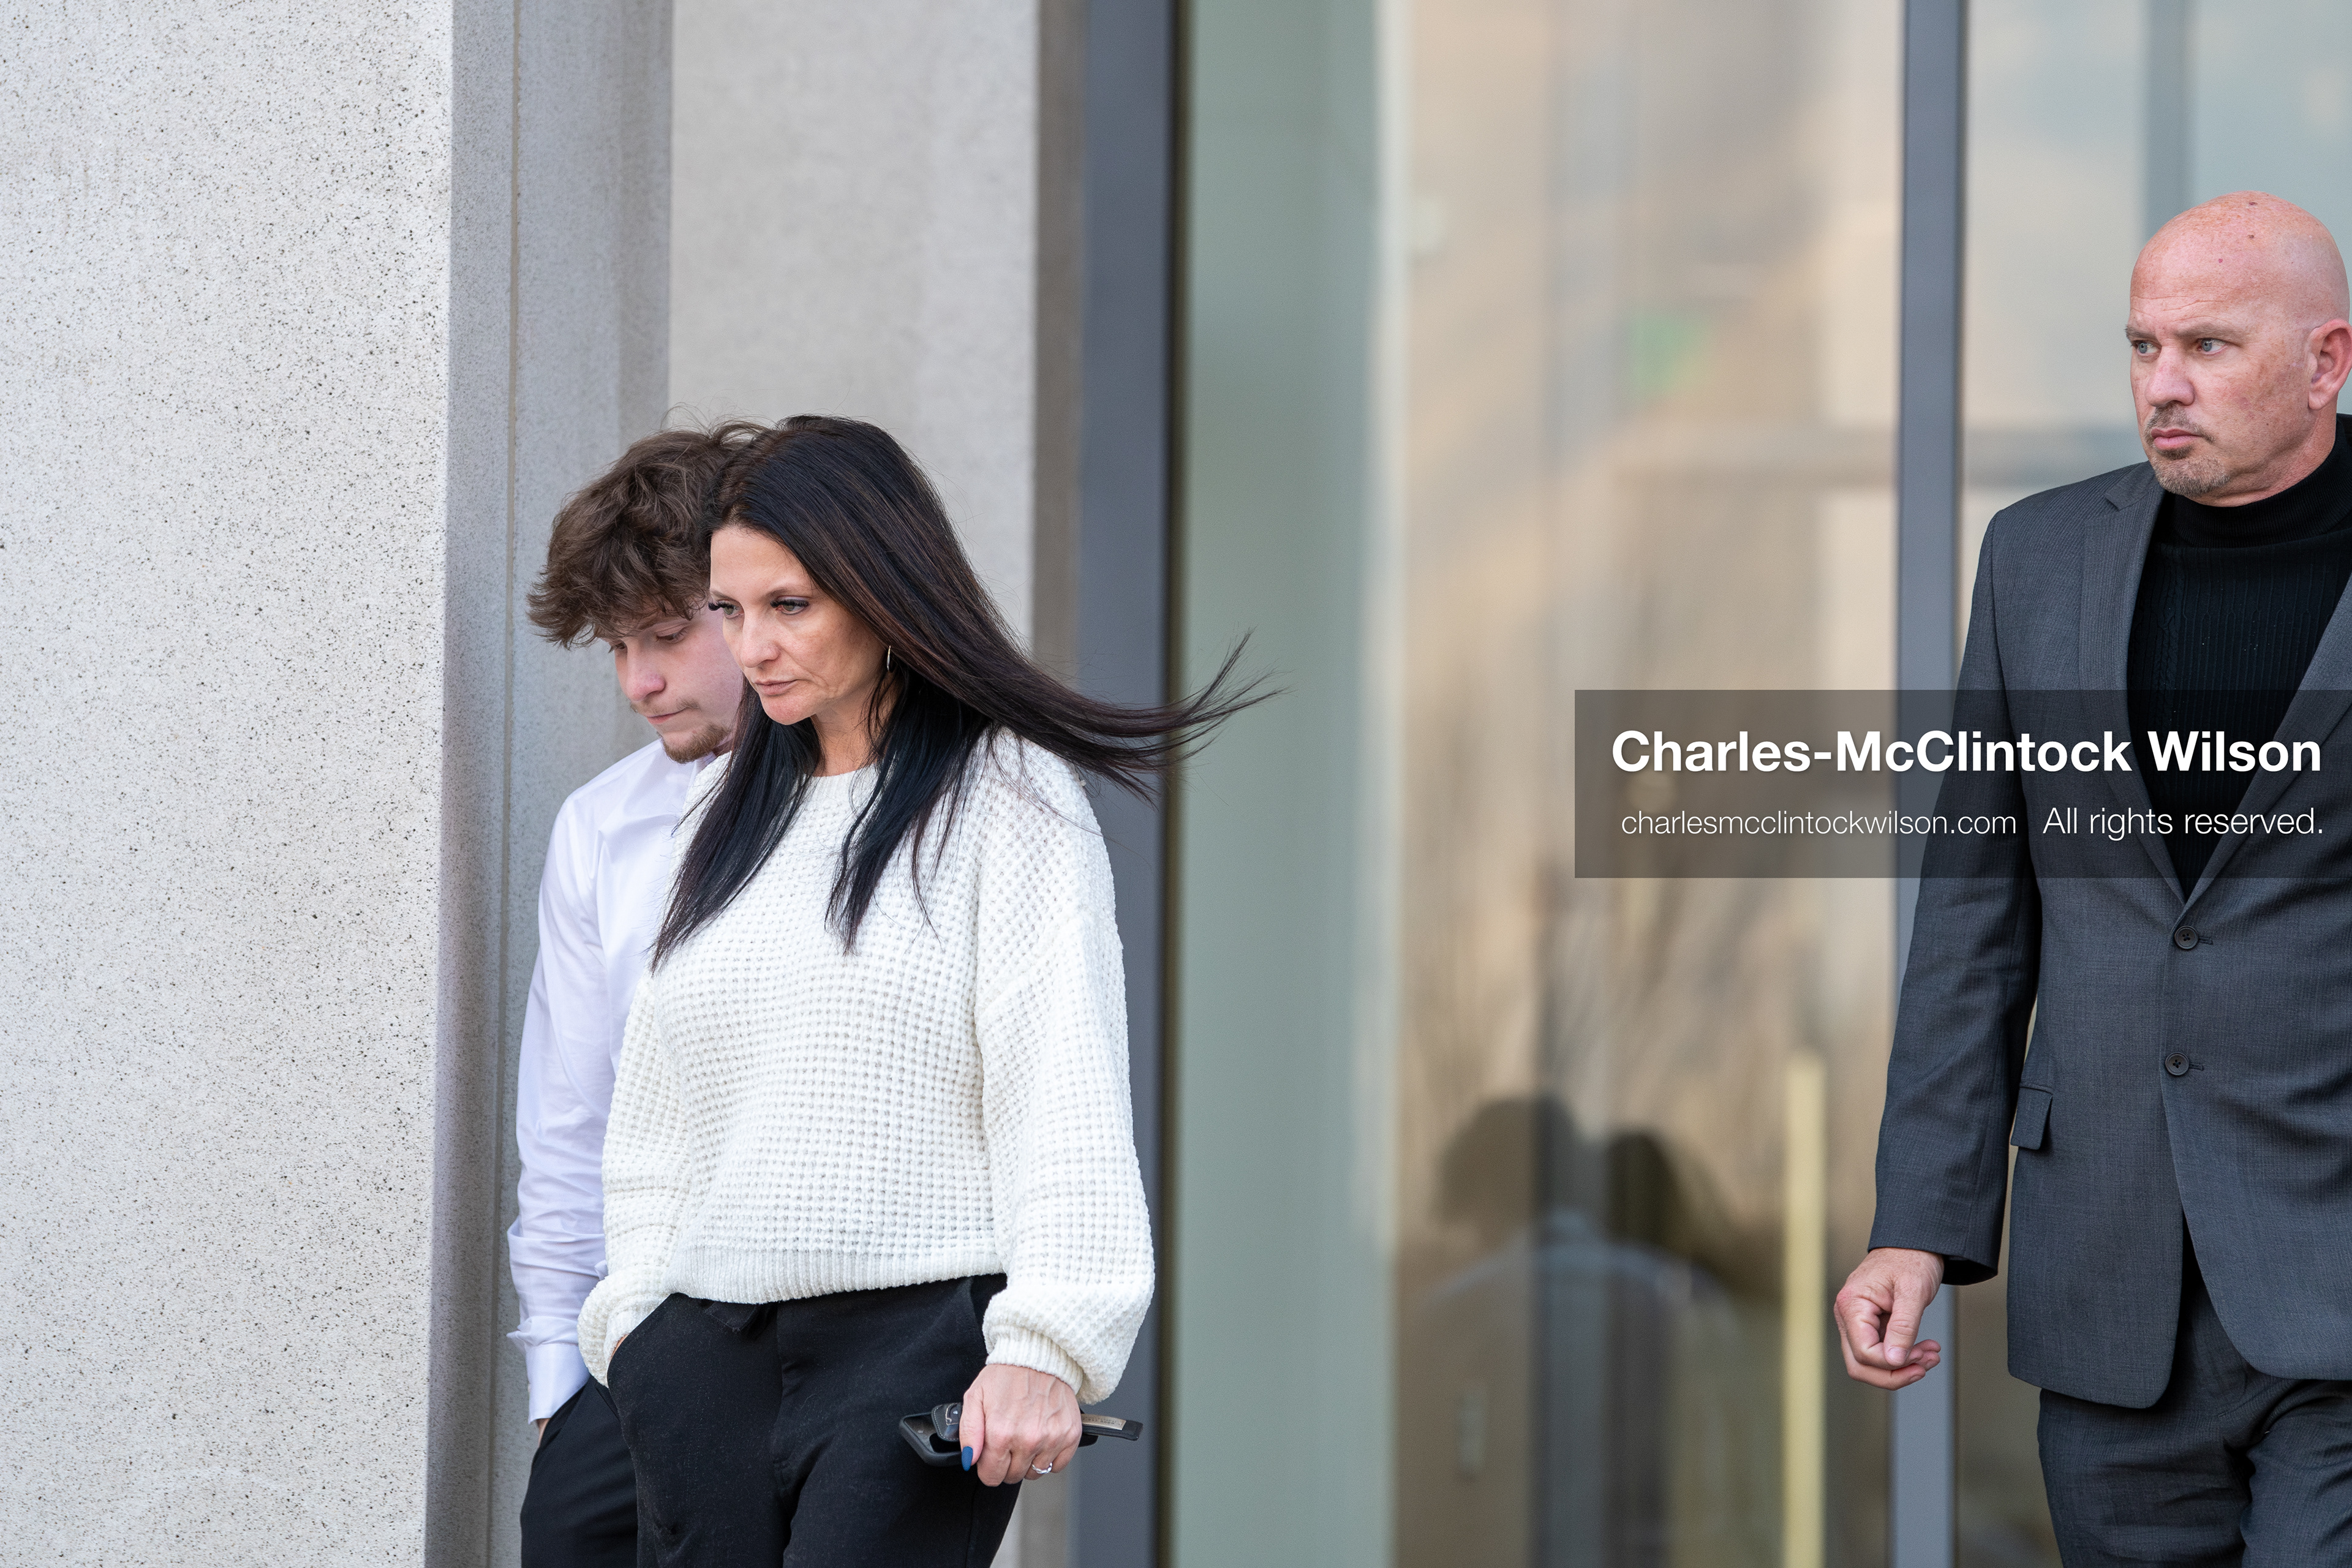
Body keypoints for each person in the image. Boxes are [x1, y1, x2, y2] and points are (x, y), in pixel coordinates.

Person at [576, 415, 1257, 1565]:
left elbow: (1063, 1092)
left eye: (790, 606)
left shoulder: (1012, 801)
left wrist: (1048, 1343)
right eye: (731, 611)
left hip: (914, 1348)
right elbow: (658, 1112)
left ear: (883, 589)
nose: (754, 647)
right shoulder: (720, 812)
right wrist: (634, 1330)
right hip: (701, 1358)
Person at [1838, 192, 2352, 1562]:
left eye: (2206, 345)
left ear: (2328, 362)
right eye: (2141, 346)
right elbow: (1974, 917)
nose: (2162, 386)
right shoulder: (2038, 560)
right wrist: (1919, 1222)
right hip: (2109, 1281)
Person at [508, 423, 759, 1567]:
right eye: (617, 648)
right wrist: (560, 1374)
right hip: (648, 1324)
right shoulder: (600, 829)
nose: (639, 682)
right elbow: (570, 1118)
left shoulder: (886, 803)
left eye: (665, 635)